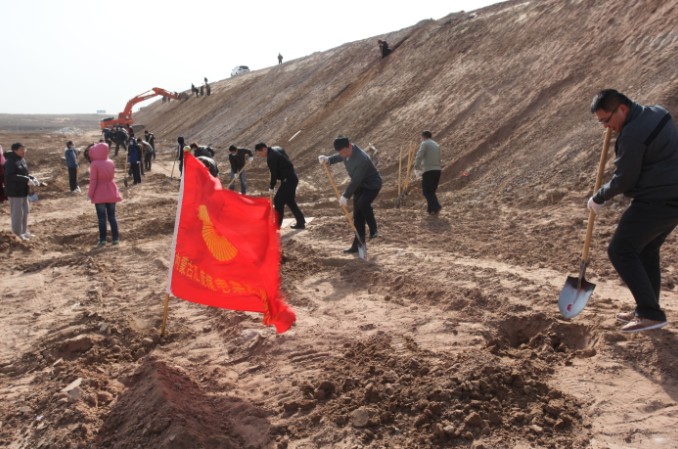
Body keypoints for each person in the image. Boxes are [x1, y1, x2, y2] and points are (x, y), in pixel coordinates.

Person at [588, 89, 678, 333]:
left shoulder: (632, 135)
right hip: (672, 197)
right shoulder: (658, 112)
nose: (606, 127)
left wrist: (599, 197)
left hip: (656, 200)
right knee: (646, 249)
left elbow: (625, 179)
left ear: (623, 109)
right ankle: (648, 309)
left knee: (620, 249)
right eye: (601, 122)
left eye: (607, 120)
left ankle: (650, 313)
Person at [318, 135, 382, 253]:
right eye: (340, 152)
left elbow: (356, 180)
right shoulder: (345, 153)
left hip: (372, 185)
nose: (342, 155)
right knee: (357, 216)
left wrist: (345, 196)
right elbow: (339, 157)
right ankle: (358, 245)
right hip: (360, 186)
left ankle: (373, 229)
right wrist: (328, 159)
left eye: (343, 152)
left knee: (363, 203)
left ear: (349, 146)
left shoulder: (361, 158)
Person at [254, 143, 305, 229]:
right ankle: (301, 222)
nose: (260, 155)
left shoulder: (271, 157)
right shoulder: (277, 148)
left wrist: (271, 186)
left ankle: (277, 225)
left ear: (264, 149)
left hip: (288, 180)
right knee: (290, 201)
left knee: (278, 201)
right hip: (292, 177)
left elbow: (273, 174)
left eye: (260, 153)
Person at [87, 142, 122, 246]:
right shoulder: (111, 162)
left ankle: (103, 240)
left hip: (99, 194)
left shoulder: (94, 164)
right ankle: (115, 239)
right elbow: (112, 177)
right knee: (112, 217)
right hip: (111, 191)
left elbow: (93, 181)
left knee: (102, 219)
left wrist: (90, 194)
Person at [4, 143, 38, 240]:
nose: (24, 151)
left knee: (25, 212)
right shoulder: (10, 161)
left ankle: (24, 231)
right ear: (15, 150)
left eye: (24, 149)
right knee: (17, 214)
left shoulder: (22, 160)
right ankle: (17, 234)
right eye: (21, 149)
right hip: (15, 192)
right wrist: (26, 179)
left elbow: (24, 173)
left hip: (23, 191)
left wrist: (32, 178)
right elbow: (10, 176)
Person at [414, 130, 442, 215]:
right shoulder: (436, 144)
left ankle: (436, 206)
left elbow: (419, 155)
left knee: (426, 191)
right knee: (431, 191)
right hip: (437, 170)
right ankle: (431, 210)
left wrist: (416, 166)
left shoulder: (425, 143)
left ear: (423, 136)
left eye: (421, 137)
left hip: (429, 170)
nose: (421, 139)